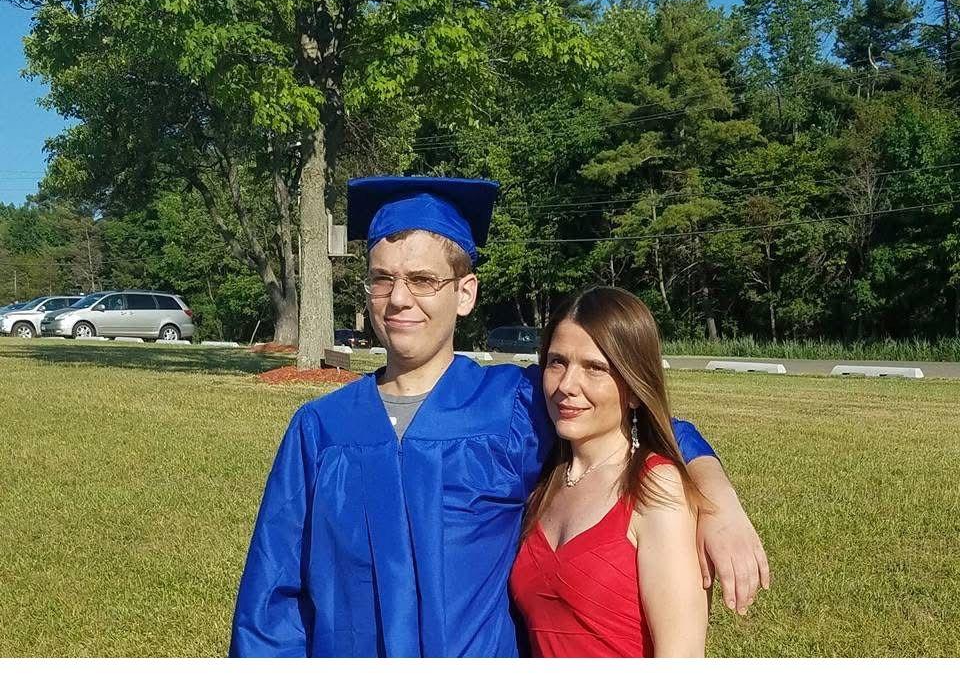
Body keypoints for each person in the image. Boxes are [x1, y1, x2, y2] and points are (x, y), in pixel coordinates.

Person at [229, 176, 768, 657]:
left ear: (465, 294)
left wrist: (719, 502)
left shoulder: (511, 406)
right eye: (381, 278)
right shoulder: (320, 430)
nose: (398, 299)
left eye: (422, 280)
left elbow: (633, 420)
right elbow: (272, 599)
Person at [511, 287, 713, 657]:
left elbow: (681, 657)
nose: (567, 386)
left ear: (635, 389)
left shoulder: (655, 486)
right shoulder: (543, 480)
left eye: (594, 368)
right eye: (557, 362)